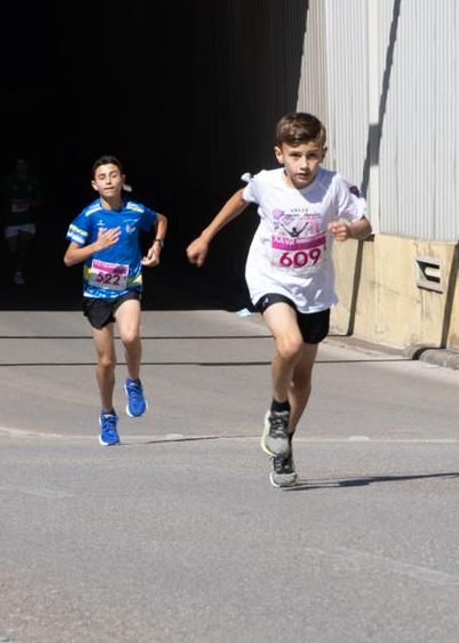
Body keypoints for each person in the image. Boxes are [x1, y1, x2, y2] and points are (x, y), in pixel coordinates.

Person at [186, 113, 370, 488]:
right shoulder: (267, 184)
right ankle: (276, 410)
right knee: (289, 345)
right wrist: (206, 235)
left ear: (324, 153)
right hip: (270, 278)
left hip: (314, 288)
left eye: (313, 155)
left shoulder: (335, 186)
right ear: (279, 154)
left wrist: (350, 230)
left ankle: (283, 446)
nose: (304, 164)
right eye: (296, 155)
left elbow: (367, 226)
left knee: (302, 380)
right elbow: (241, 198)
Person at [64, 156, 167, 447]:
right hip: (96, 293)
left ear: (122, 179)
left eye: (113, 175)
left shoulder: (136, 211)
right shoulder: (89, 216)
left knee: (131, 335)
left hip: (128, 285)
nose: (109, 180)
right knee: (106, 361)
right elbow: (69, 258)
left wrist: (156, 246)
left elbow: (161, 220)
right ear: (94, 184)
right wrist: (97, 246)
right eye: (102, 176)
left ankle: (133, 382)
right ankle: (107, 414)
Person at [0, 157, 44, 286]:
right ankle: (11, 267)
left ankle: (18, 272)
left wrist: (32, 203)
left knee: (24, 246)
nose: (21, 167)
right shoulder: (8, 180)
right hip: (11, 220)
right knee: (13, 249)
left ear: (27, 166)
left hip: (27, 220)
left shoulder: (32, 180)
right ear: (15, 166)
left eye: (23, 164)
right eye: (18, 164)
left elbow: (39, 201)